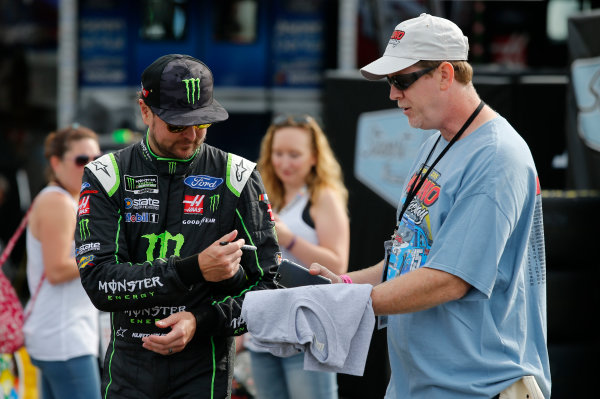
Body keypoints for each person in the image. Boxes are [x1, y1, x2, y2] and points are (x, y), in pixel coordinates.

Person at [309, 13, 551, 399]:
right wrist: (345, 285)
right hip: (422, 385)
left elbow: (450, 279)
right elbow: (411, 256)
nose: (393, 94)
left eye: (402, 80)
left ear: (444, 75)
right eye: (390, 82)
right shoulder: (437, 141)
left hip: (476, 387)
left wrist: (347, 303)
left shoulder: (496, 157)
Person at [74, 54, 279, 399]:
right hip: (129, 371)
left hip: (204, 371)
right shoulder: (107, 176)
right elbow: (98, 283)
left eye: (202, 123)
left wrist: (199, 321)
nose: (192, 136)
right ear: (145, 111)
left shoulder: (238, 177)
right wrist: (191, 270)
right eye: (177, 125)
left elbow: (270, 290)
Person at [241, 114, 350, 399]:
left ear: (314, 157)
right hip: (262, 334)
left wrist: (288, 237)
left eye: (294, 154)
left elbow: (338, 266)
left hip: (307, 335)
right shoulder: (264, 193)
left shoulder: (322, 196)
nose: (284, 163)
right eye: (278, 153)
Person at [23, 124, 102, 399]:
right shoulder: (57, 203)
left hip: (61, 334)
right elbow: (57, 269)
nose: (90, 166)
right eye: (82, 160)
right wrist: (102, 257)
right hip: (64, 338)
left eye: (97, 159)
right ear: (56, 162)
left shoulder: (67, 199)